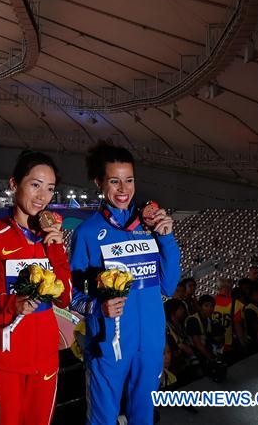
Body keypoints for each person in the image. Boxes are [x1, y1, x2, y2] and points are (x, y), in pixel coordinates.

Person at [69, 142, 180, 425]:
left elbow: (168, 286)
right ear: (99, 182)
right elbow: (71, 296)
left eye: (129, 180)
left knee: (143, 418)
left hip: (150, 345)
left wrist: (166, 238)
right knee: (103, 420)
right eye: (114, 181)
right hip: (109, 347)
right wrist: (98, 307)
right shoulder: (87, 233)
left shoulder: (149, 225)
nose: (123, 189)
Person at [0, 150, 71, 425]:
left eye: (50, 189)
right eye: (35, 185)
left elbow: (64, 299)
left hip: (47, 359)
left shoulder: (52, 238)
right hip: (6, 361)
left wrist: (57, 249)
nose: (42, 196)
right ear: (14, 184)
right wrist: (9, 303)